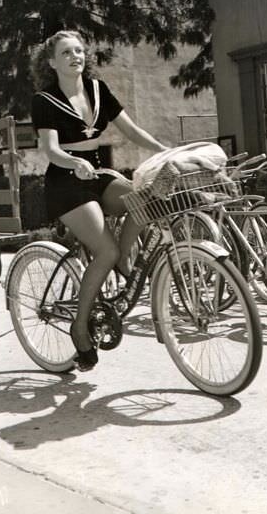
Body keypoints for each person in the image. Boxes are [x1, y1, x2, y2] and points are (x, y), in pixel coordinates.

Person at [31, 30, 168, 371]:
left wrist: (166, 151)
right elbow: (49, 149)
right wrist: (71, 161)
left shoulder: (98, 89)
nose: (75, 56)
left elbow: (131, 130)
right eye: (66, 53)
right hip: (65, 182)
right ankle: (80, 328)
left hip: (95, 173)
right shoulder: (44, 100)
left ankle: (123, 262)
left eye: (79, 50)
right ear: (52, 62)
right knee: (104, 250)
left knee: (146, 199)